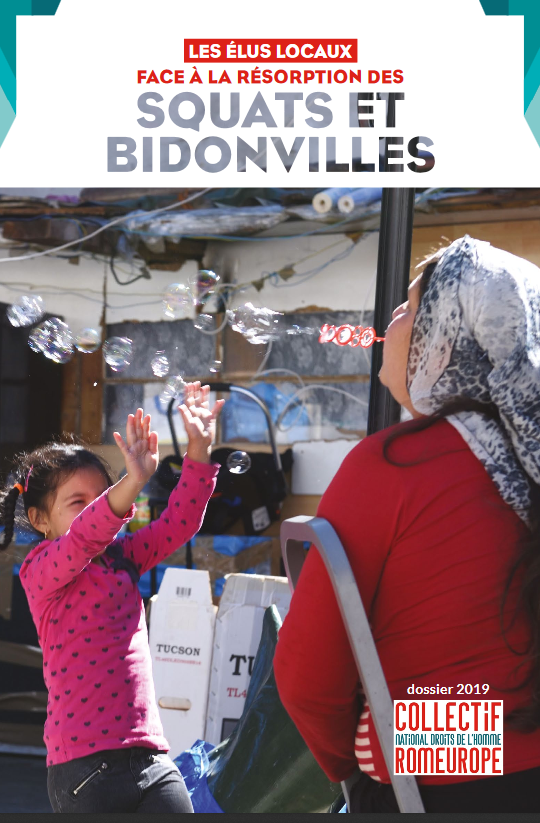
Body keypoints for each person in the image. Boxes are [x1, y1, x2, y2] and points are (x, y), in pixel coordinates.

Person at [274, 235, 540, 812]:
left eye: (408, 306)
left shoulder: (394, 464)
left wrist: (373, 758)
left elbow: (308, 679)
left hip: (437, 797)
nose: (390, 320)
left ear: (446, 335)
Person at [0, 382, 224, 813]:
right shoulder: (40, 570)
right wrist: (132, 480)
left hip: (151, 758)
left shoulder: (124, 556)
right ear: (40, 519)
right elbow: (84, 537)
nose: (95, 510)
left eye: (101, 498)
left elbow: (180, 522)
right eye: (77, 502)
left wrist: (199, 450)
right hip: (84, 769)